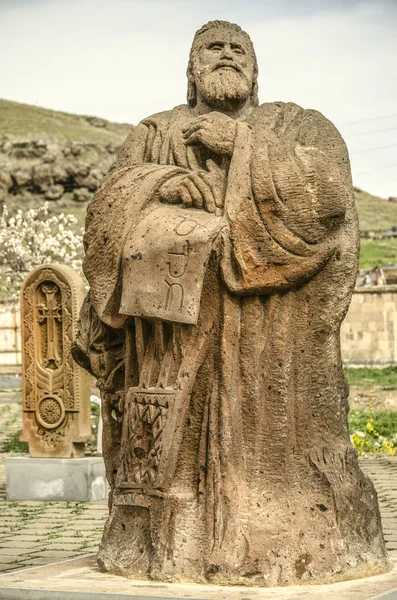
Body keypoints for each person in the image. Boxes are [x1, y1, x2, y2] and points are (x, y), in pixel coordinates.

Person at [73, 20, 387, 586]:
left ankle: (287, 537)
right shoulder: (156, 131)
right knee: (167, 466)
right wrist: (161, 183)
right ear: (191, 71)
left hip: (273, 343)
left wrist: (241, 145)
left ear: (256, 71)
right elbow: (106, 210)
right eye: (211, 48)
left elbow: (330, 195)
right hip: (171, 339)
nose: (225, 55)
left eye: (237, 49)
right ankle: (154, 545)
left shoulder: (293, 124)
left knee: (273, 459)